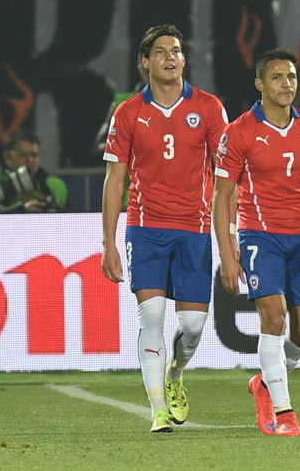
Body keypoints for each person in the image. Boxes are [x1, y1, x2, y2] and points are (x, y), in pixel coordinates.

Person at [213, 48, 300, 437]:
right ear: (260, 84)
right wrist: (227, 251)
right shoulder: (239, 131)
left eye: (291, 77)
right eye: (277, 78)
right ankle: (285, 412)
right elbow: (222, 195)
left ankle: (263, 383)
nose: (287, 84)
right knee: (274, 319)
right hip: (259, 237)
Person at [100, 24, 228, 433]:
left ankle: (175, 374)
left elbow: (226, 178)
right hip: (146, 227)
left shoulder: (209, 107)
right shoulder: (128, 113)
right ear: (145, 62)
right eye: (160, 51)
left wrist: (229, 238)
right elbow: (115, 180)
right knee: (151, 315)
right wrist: (108, 242)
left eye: (176, 51)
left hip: (195, 228)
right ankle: (157, 409)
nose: (170, 57)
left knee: (191, 327)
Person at [0, 129, 68, 212]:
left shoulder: (56, 186)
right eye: (23, 155)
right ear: (7, 156)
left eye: (34, 155)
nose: (30, 160)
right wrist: (21, 212)